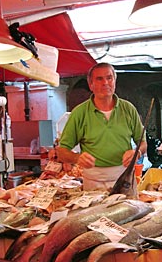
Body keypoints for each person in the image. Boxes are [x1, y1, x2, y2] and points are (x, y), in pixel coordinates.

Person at [49, 62, 147, 191]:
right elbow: (61, 152)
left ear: (114, 81)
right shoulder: (79, 113)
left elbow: (143, 142)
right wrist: (77, 158)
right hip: (94, 182)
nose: (105, 83)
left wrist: (137, 152)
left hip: (125, 178)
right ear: (91, 85)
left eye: (109, 78)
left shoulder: (128, 109)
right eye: (99, 79)